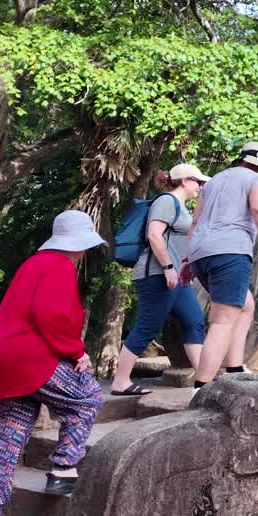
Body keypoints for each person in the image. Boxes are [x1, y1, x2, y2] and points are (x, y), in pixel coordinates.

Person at [0, 210, 106, 516]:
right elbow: (51, 315)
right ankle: (63, 469)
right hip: (28, 358)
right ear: (80, 245)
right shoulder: (59, 266)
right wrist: (76, 352)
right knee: (86, 397)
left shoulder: (31, 264)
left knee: (2, 439)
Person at [182, 142, 258, 394]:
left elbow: (195, 221)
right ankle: (201, 386)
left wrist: (185, 260)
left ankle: (234, 367)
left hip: (200, 252)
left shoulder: (212, 182)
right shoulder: (256, 178)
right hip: (230, 250)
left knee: (245, 306)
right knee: (223, 320)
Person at [111, 163, 212, 396]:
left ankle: (204, 381)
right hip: (157, 275)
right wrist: (167, 267)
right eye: (198, 181)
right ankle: (121, 381)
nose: (200, 186)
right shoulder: (166, 201)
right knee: (148, 327)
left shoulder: (184, 208)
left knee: (194, 321)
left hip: (177, 277)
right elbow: (154, 235)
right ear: (185, 181)